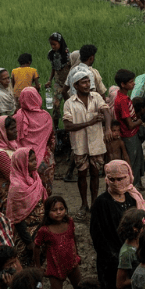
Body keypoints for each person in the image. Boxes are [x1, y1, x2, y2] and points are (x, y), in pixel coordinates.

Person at [90, 160, 145, 289]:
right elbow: (98, 236)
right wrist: (115, 257)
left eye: (120, 178)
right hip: (111, 261)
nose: (116, 183)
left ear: (128, 176)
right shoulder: (101, 203)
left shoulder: (132, 198)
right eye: (112, 179)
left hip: (134, 255)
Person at [64, 72, 112, 215]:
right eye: (83, 82)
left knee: (96, 174)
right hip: (80, 145)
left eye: (88, 82)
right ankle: (84, 204)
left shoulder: (96, 97)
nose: (87, 85)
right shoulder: (69, 103)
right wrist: (89, 123)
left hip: (96, 144)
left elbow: (106, 112)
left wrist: (108, 127)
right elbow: (67, 126)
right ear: (75, 85)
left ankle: (94, 202)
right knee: (82, 175)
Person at [33, 196, 82, 289]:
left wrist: (76, 254)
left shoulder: (69, 222)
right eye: (54, 210)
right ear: (47, 212)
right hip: (55, 267)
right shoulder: (45, 230)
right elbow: (36, 246)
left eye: (61, 208)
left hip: (72, 263)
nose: (59, 212)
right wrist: (38, 266)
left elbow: (72, 238)